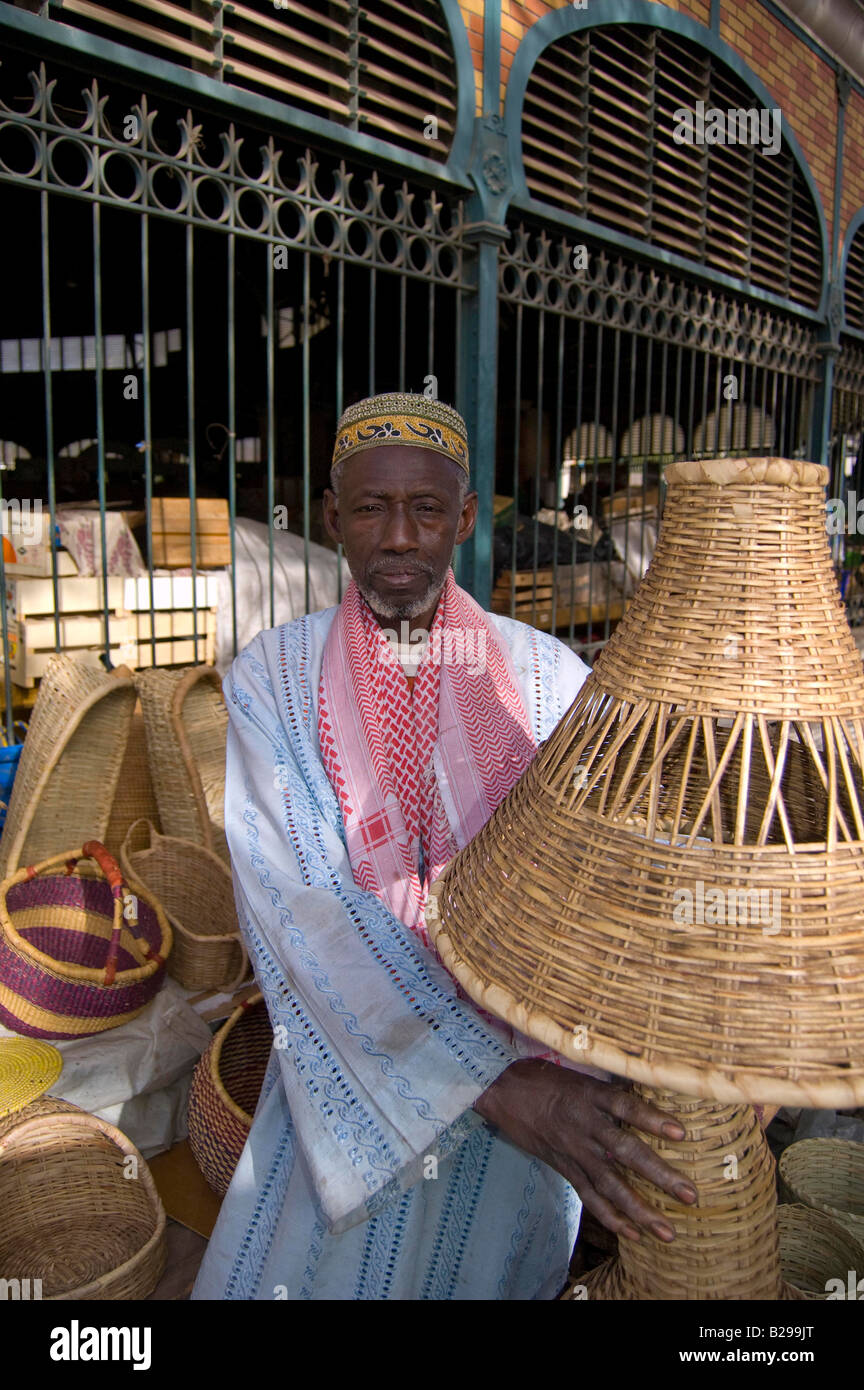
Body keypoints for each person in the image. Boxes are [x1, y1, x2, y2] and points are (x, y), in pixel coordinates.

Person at [192, 392, 696, 1302]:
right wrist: (502, 1090)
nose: (398, 536)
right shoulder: (272, 674)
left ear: (464, 517)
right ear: (330, 518)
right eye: (370, 508)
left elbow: (615, 883)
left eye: (426, 509)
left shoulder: (550, 679)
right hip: (354, 1093)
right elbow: (300, 905)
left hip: (539, 1114)